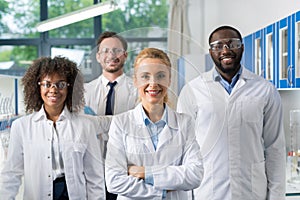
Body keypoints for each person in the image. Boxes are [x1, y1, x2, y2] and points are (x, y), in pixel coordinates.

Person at [177, 25, 286, 199]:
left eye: (232, 44)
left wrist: (276, 196)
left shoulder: (265, 90)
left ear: (242, 47)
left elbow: (275, 148)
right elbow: (183, 151)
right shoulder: (192, 90)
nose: (225, 50)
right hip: (207, 192)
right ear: (211, 51)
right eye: (218, 46)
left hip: (251, 192)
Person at [0, 56, 105, 200]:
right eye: (47, 84)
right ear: (37, 86)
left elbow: (95, 176)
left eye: (60, 84)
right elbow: (11, 173)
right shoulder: (21, 127)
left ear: (70, 87)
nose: (53, 90)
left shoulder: (85, 126)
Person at [105, 47, 203, 199]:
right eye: (145, 76)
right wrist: (162, 191)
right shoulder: (121, 123)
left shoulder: (184, 123)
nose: (153, 83)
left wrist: (144, 172)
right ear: (135, 80)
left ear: (169, 80)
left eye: (160, 76)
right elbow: (114, 181)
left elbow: (194, 175)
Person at [84, 31, 138, 115]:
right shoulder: (86, 91)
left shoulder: (137, 91)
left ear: (125, 56)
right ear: (98, 57)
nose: (111, 56)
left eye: (117, 50)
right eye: (105, 51)